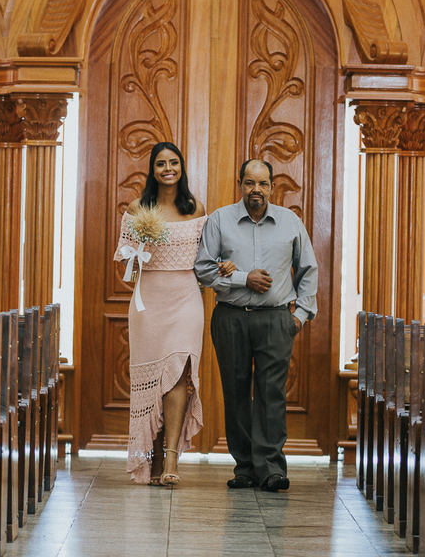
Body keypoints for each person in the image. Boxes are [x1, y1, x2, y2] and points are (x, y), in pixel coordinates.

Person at [194, 158, 317, 492]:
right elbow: (203, 268)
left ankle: (272, 468)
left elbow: (308, 269)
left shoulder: (290, 222)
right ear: (240, 185)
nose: (256, 190)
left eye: (263, 184)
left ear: (272, 187)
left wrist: (300, 315)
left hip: (276, 319)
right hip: (230, 318)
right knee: (235, 393)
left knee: (270, 393)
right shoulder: (220, 220)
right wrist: (242, 278)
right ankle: (245, 468)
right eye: (250, 183)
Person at [113, 141, 221, 486]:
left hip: (186, 299)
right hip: (149, 302)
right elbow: (125, 268)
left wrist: (225, 267)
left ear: (181, 167)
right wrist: (137, 250)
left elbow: (206, 259)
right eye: (161, 163)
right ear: (153, 169)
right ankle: (153, 457)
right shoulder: (137, 208)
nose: (168, 169)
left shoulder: (195, 208)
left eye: (173, 162)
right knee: (153, 382)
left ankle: (171, 454)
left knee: (178, 373)